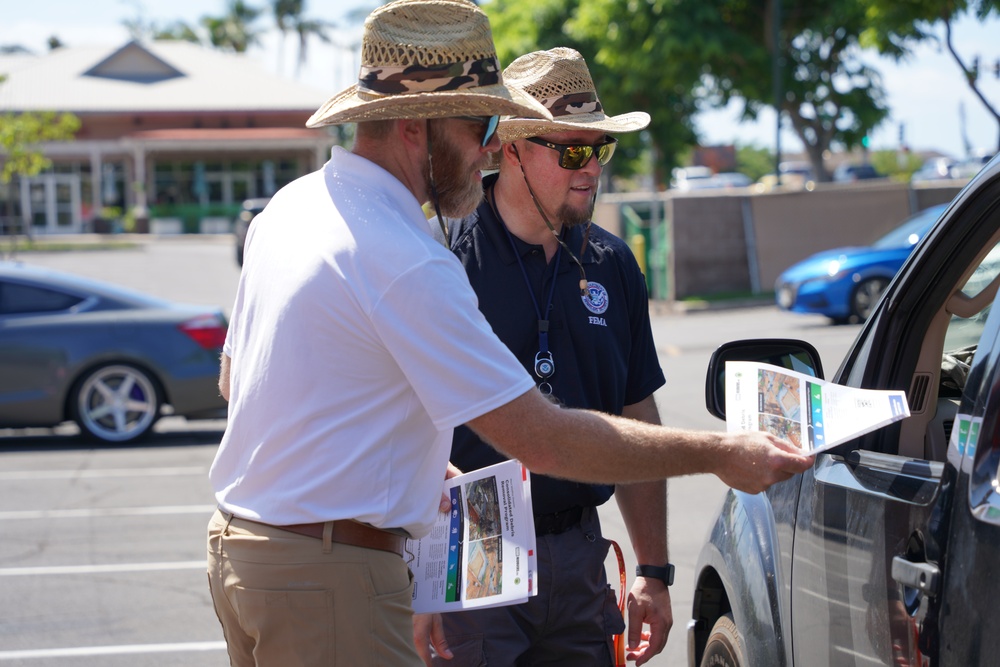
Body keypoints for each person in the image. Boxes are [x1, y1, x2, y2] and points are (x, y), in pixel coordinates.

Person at [205, 1, 814, 666]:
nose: (491, 147)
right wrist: (721, 453)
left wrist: (396, 457)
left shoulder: (294, 207)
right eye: (483, 124)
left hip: (249, 555)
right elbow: (542, 439)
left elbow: (241, 380)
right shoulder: (408, 254)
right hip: (330, 571)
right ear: (418, 127)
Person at [424, 47, 672, 666]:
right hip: (475, 536)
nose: (591, 169)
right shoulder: (439, 255)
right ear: (511, 149)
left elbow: (636, 418)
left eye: (600, 149)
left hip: (579, 552)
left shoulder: (613, 264)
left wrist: (654, 569)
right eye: (572, 151)